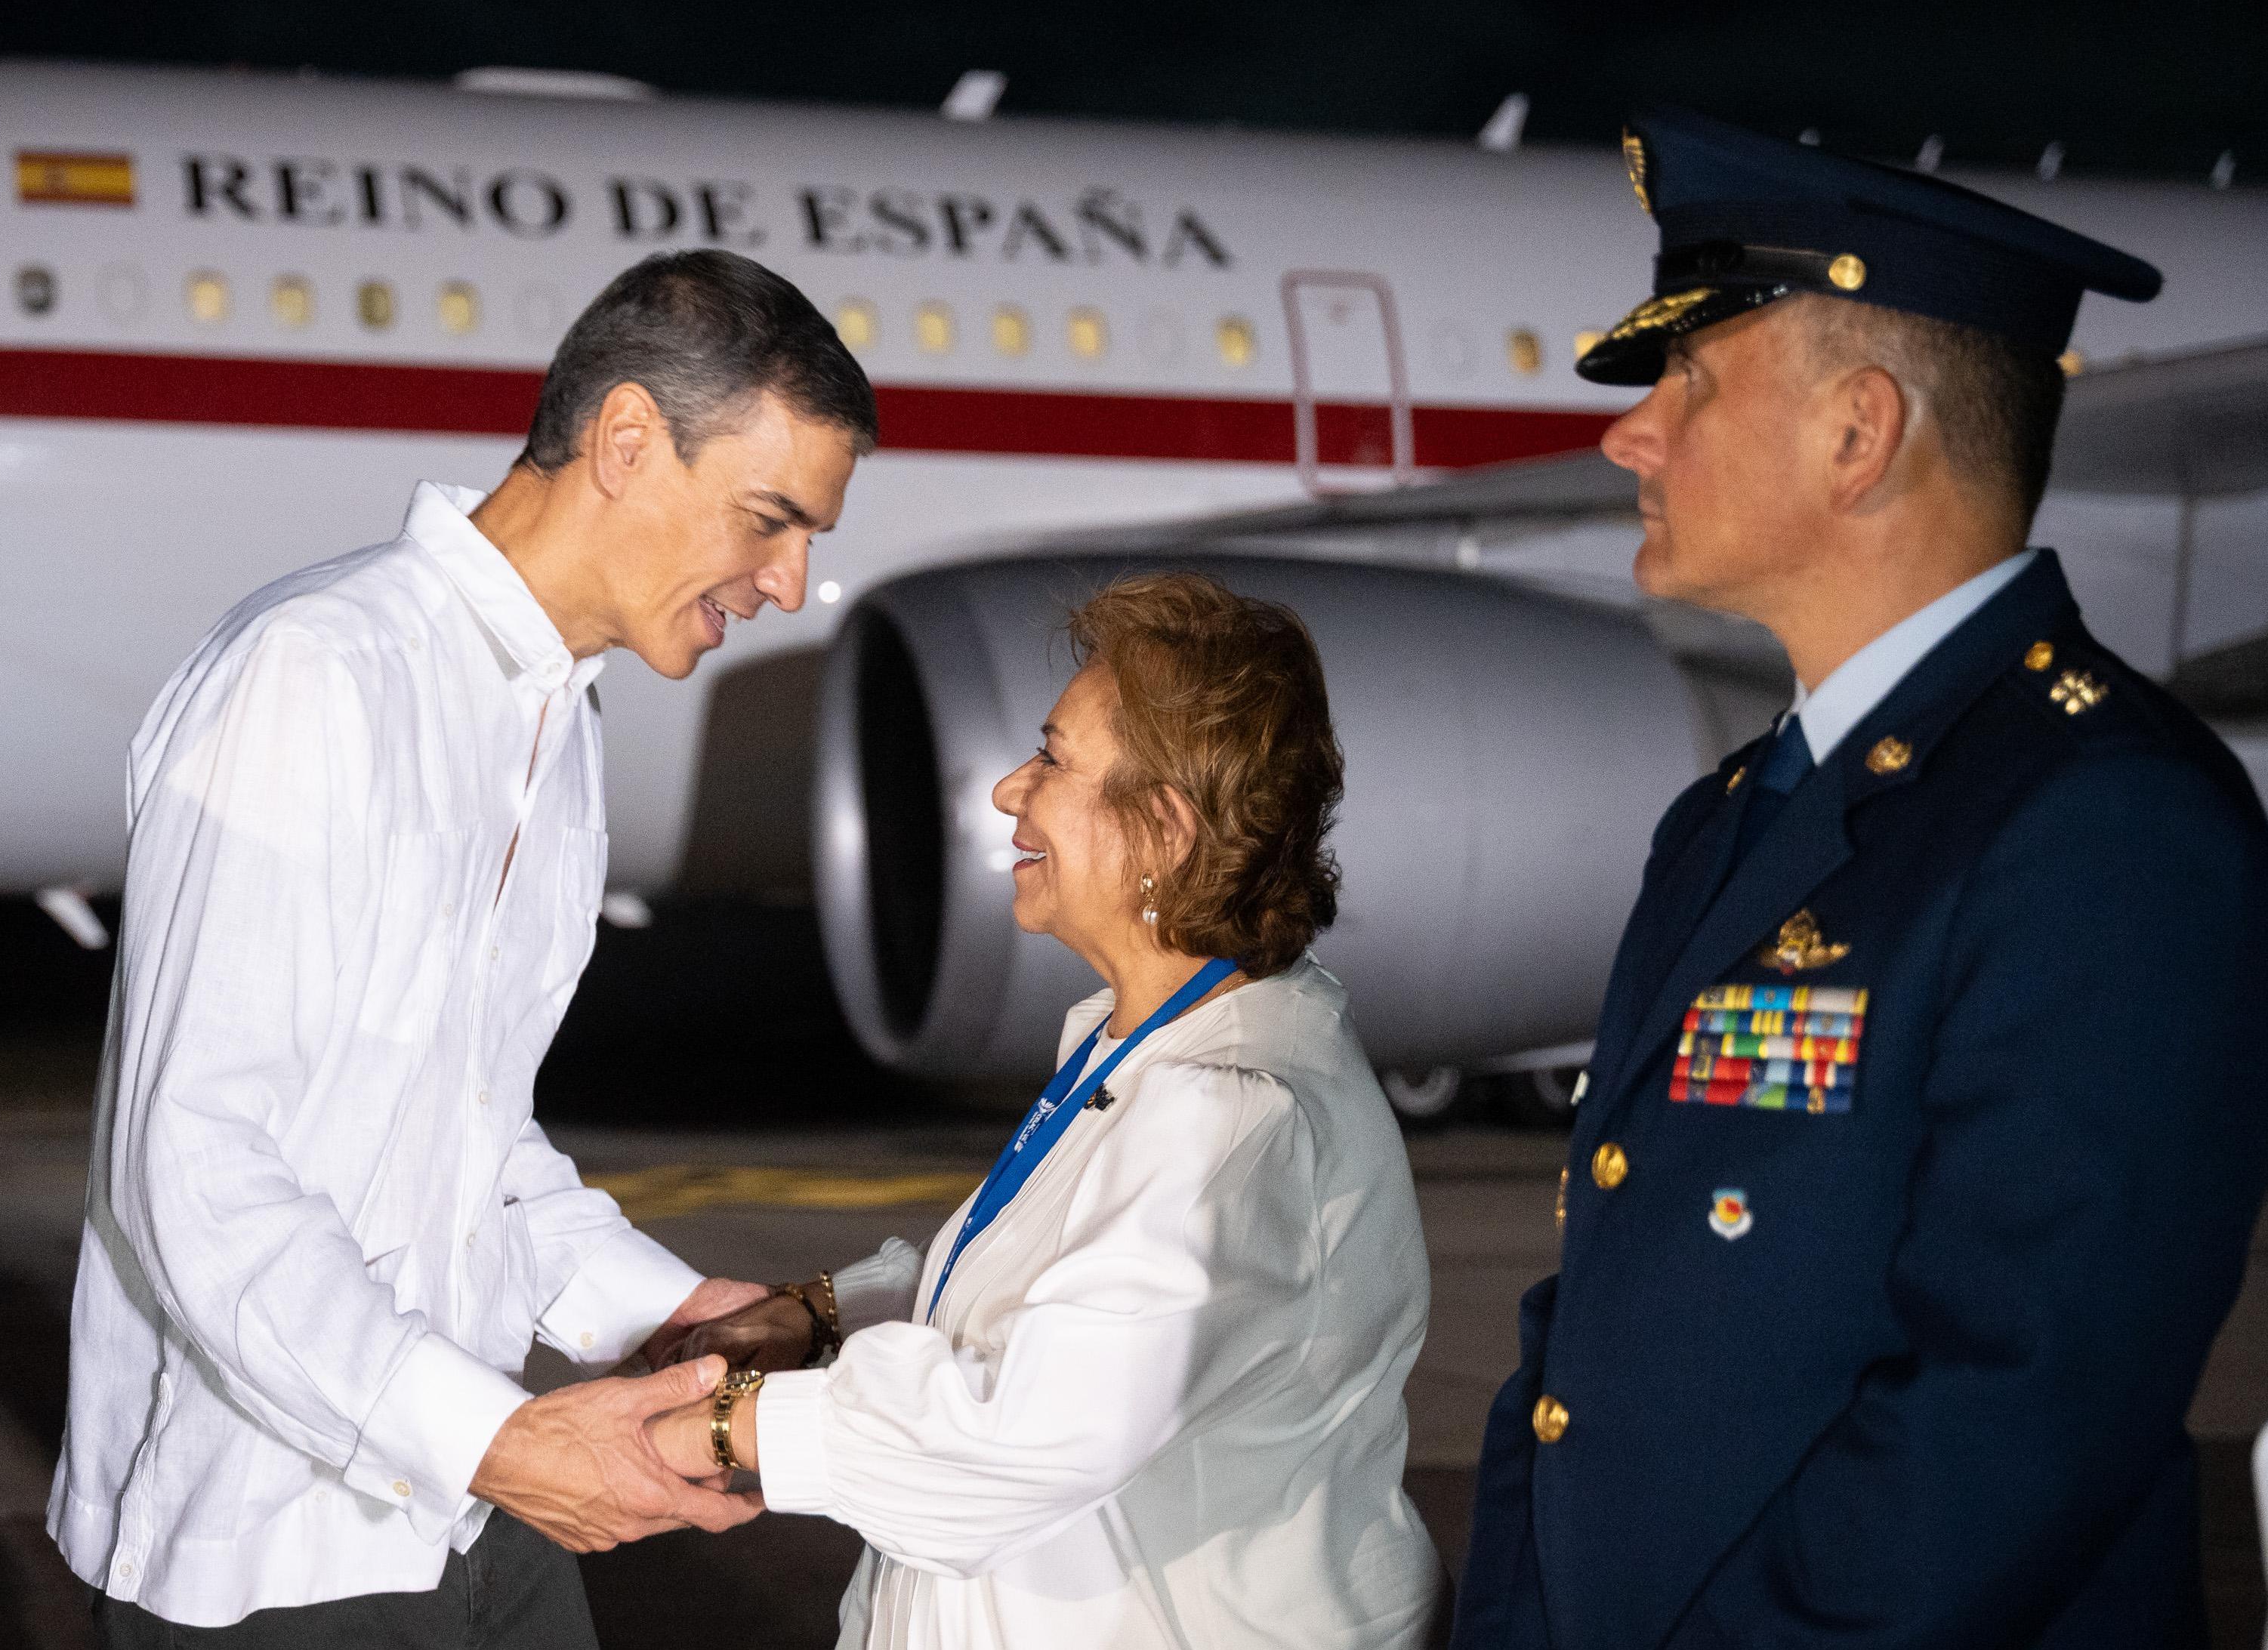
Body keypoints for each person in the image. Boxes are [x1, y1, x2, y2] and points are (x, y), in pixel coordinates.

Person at [1450, 109, 2268, 1647]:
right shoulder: (1727, 819)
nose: (1630, 433)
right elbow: (1581, 1356)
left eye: (1692, 381)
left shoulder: (2109, 820)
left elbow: (2015, 1415)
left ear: (1858, 434)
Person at [53, 248, 879, 1645]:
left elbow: (466, 1136)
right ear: (628, 440)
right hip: (271, 1548)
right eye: (769, 520)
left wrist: (672, 1312)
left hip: (466, 1510)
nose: (793, 584)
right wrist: (493, 1440)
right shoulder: (317, 673)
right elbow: (192, 1162)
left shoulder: (558, 716)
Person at [645, 572, 1444, 1649]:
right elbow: (1060, 1293)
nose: (1008, 790)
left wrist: (713, 1431)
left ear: (1162, 830)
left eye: (1054, 761)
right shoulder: (1142, 1046)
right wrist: (827, 1314)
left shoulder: (1223, 1118)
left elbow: (1027, 1440)